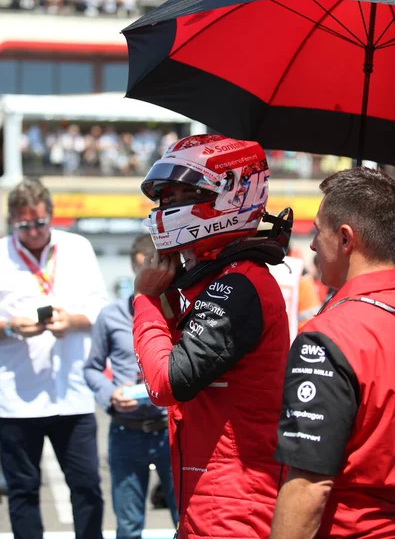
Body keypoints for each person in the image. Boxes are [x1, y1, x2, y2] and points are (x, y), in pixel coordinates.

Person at [132, 134, 292, 538]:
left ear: (231, 195)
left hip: (234, 506)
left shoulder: (239, 285)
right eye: (165, 196)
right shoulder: (220, 280)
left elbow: (166, 383)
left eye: (184, 194)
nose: (167, 207)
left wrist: (146, 299)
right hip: (210, 498)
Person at [271, 167, 395, 539]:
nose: (311, 245)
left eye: (317, 231)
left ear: (345, 238)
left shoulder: (331, 335)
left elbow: (309, 486)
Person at [0, 177, 108, 539]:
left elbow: (100, 310)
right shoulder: (1, 254)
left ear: (52, 215)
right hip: (16, 399)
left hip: (72, 395)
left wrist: (73, 321)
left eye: (40, 223)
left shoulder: (77, 248)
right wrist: (11, 327)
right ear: (12, 221)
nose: (33, 232)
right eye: (24, 225)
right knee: (23, 491)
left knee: (88, 488)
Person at [84, 233, 178, 539]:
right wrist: (109, 395)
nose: (149, 277)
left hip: (169, 431)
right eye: (142, 269)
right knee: (127, 525)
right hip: (126, 431)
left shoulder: (179, 316)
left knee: (185, 519)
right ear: (132, 266)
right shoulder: (111, 316)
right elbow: (92, 368)